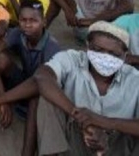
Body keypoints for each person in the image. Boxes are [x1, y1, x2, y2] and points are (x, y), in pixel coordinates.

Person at [28, 22, 139, 155]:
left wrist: (104, 122)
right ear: (87, 46)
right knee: (47, 100)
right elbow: (42, 76)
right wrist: (81, 117)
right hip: (78, 138)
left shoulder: (134, 79)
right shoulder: (73, 59)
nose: (105, 57)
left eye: (113, 53)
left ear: (124, 55)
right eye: (98, 50)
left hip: (116, 147)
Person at [0, 0, 61, 156]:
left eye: (33, 20)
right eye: (23, 20)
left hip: (41, 93)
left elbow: (38, 84)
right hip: (23, 83)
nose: (27, 25)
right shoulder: (18, 33)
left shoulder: (52, 48)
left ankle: (26, 152)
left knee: (36, 98)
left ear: (44, 22)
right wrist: (1, 95)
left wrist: (0, 100)